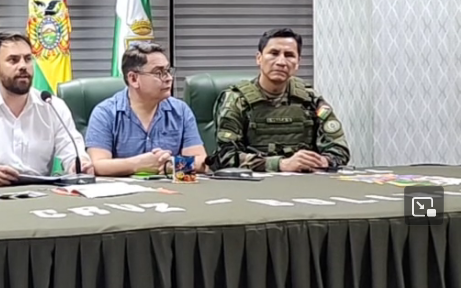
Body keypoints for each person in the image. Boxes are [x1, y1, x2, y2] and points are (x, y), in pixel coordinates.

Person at [0, 32, 93, 186]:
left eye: (28, 59)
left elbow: (73, 154)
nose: (23, 66)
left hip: (40, 195)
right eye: (13, 60)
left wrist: (79, 165)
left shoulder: (52, 106)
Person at [211, 27, 351, 172]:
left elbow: (339, 149)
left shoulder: (309, 99)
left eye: (289, 55)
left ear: (298, 62)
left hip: (305, 182)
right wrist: (280, 164)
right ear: (259, 58)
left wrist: (321, 160)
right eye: (274, 53)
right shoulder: (236, 100)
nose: (281, 62)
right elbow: (225, 157)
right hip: (254, 185)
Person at [86, 42, 206, 176]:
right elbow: (97, 164)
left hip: (172, 192)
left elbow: (201, 162)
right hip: (124, 193)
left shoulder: (181, 111)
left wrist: (172, 165)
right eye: (159, 73)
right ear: (134, 79)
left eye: (168, 71)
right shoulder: (105, 113)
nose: (169, 78)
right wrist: (137, 164)